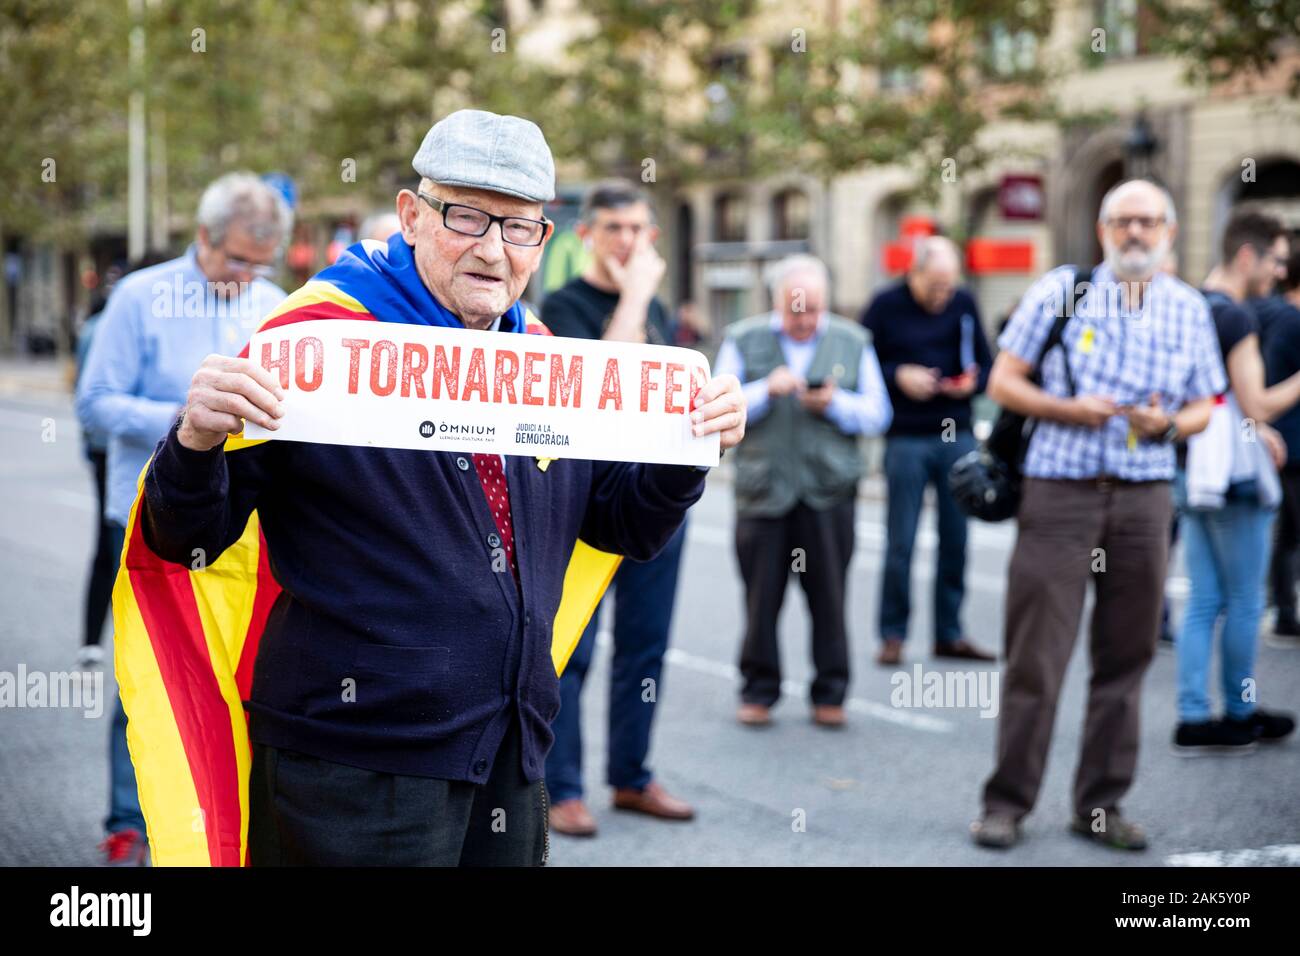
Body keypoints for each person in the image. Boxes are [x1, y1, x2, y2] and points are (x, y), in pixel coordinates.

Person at [134, 110, 747, 866]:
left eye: (519, 226)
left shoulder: (548, 364)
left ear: (542, 242)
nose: (493, 248)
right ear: (412, 217)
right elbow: (189, 542)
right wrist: (194, 442)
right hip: (356, 769)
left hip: (511, 756)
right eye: (466, 217)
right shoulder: (317, 342)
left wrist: (687, 450)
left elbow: (624, 528)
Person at [971, 179, 1224, 851]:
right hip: (1059, 494)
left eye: (1147, 221)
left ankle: (1100, 805)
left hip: (1144, 498)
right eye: (1121, 221)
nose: (1134, 232)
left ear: (1169, 232)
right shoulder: (1062, 290)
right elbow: (1003, 382)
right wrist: (1069, 410)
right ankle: (1006, 803)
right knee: (1037, 658)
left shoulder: (1188, 308)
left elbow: (1208, 405)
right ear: (1103, 230)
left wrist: (1168, 424)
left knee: (1127, 656)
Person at [76, 174, 290, 866]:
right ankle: (127, 825)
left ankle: (214, 824)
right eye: (236, 260)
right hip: (144, 515)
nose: (247, 277)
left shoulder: (278, 306)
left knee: (232, 672)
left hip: (241, 532)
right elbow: (96, 403)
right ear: (202, 237)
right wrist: (184, 423)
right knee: (151, 671)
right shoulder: (141, 297)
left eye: (261, 265)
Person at [540, 180, 695, 836]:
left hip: (652, 500)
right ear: (587, 236)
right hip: (586, 500)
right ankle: (562, 787)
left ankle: (631, 776)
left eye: (638, 230)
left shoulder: (654, 307)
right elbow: (605, 386)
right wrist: (632, 297)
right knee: (573, 646)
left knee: (646, 644)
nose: (628, 243)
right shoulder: (563, 305)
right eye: (614, 230)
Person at [714, 254, 892, 728]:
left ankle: (830, 693)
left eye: (813, 309)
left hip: (828, 492)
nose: (804, 319)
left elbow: (878, 413)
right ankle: (758, 690)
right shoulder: (743, 338)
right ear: (776, 302)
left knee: (830, 598)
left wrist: (835, 404)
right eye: (795, 310)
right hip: (762, 491)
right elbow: (714, 406)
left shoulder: (853, 341)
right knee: (760, 599)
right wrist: (762, 392)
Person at [1174, 210, 1298, 755]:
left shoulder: (1187, 303)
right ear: (1246, 256)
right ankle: (1240, 709)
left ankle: (1193, 714)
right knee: (1245, 600)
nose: (1277, 272)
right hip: (1234, 474)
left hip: (1190, 466)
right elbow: (1258, 403)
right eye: (1273, 259)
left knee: (1203, 598)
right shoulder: (1236, 319)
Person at [860, 236, 996, 666]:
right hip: (906, 434)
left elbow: (989, 365)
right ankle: (893, 633)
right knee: (901, 539)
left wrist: (973, 382)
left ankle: (949, 632)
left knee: (956, 539)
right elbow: (859, 365)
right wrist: (898, 373)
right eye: (934, 285)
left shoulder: (963, 303)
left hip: (957, 431)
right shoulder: (884, 305)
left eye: (948, 286)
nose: (942, 295)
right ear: (913, 273)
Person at [1259, 244, 1300, 646]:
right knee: (1290, 531)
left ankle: (1283, 607)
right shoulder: (1290, 318)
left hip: (1283, 436)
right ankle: (1284, 610)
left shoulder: (1280, 314)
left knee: (1288, 530)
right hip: (1289, 440)